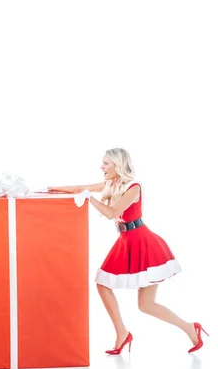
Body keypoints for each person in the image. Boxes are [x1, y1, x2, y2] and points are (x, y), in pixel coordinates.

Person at [48, 147, 208, 354]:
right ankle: (122, 333)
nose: (101, 167)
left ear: (118, 164)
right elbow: (83, 186)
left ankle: (189, 328)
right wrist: (55, 189)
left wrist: (89, 198)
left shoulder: (133, 187)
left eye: (106, 163)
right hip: (125, 241)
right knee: (103, 285)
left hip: (144, 243)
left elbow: (112, 212)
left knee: (146, 305)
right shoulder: (111, 184)